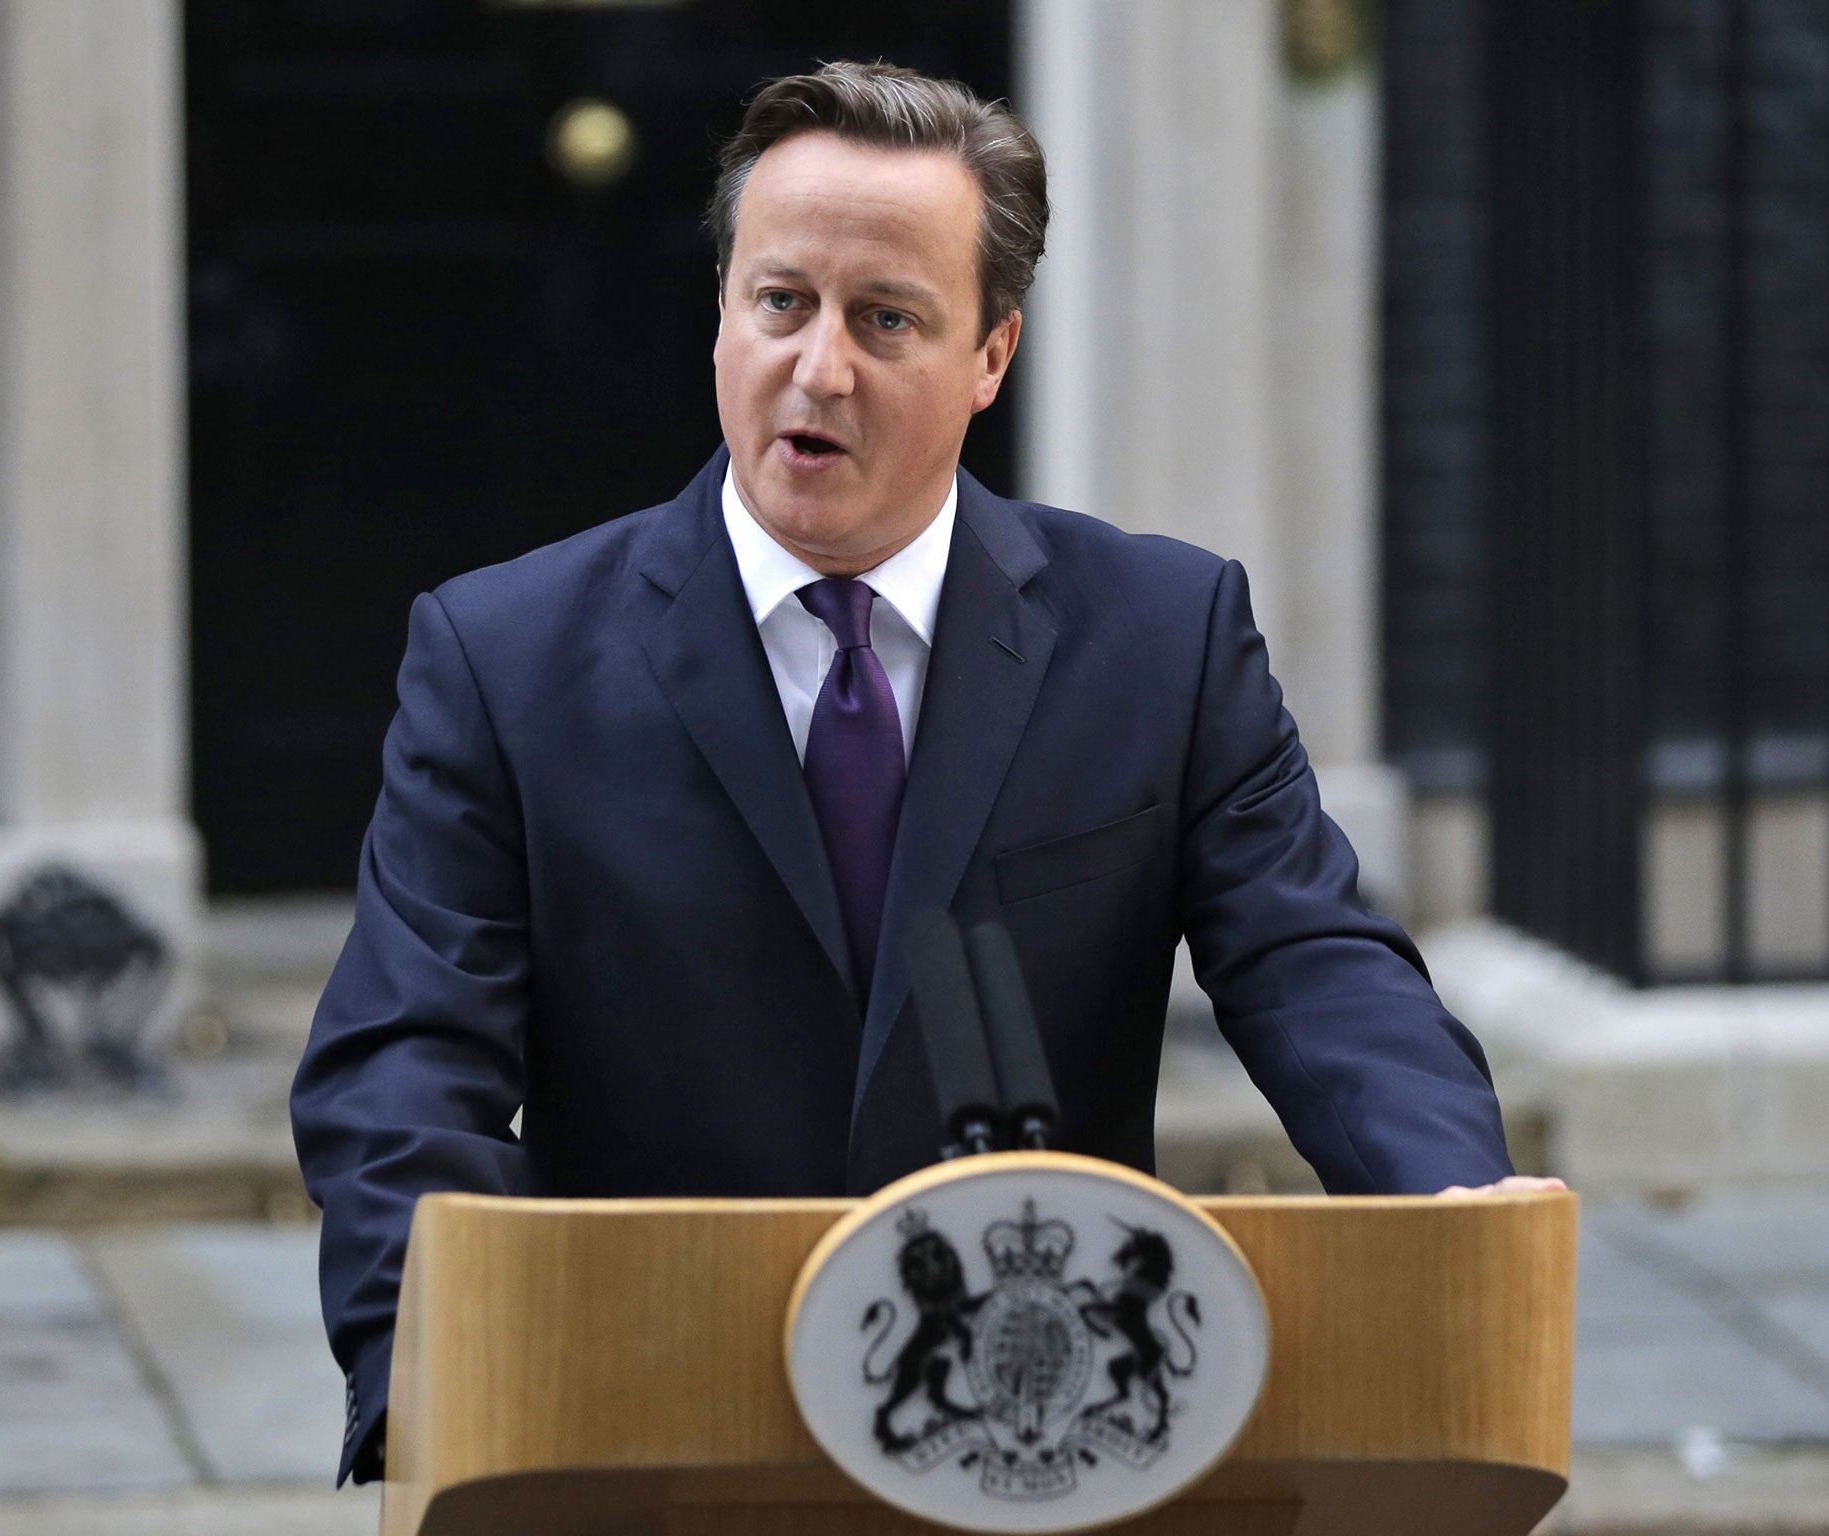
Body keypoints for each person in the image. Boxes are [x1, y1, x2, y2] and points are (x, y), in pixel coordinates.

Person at [291, 60, 1552, 1488]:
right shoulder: (502, 657)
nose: (818, 366)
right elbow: (405, 1056)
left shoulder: (1161, 635)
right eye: (781, 303)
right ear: (722, 317)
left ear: (992, 357)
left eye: (885, 319)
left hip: (1034, 1431)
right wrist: (434, 1359)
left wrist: (1455, 1213)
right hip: (639, 1407)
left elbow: (1318, 962)